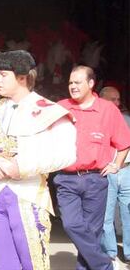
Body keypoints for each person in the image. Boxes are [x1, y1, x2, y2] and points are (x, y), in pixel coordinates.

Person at [0, 50, 77, 269]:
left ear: (22, 77)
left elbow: (67, 154)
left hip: (30, 197)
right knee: (3, 264)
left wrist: (21, 167)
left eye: (3, 75)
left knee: (33, 264)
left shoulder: (49, 111)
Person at [56, 66, 130, 270]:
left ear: (91, 83)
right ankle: (104, 265)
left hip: (96, 179)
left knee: (92, 232)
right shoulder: (61, 107)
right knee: (71, 225)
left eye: (77, 82)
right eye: (70, 82)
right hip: (66, 179)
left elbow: (124, 142)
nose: (73, 86)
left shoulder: (107, 109)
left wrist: (117, 165)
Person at [99, 86, 130, 263]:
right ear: (102, 100)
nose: (117, 103)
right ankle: (110, 252)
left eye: (118, 99)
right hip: (106, 171)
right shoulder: (98, 120)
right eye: (113, 99)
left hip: (126, 170)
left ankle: (129, 254)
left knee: (128, 213)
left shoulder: (126, 118)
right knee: (106, 216)